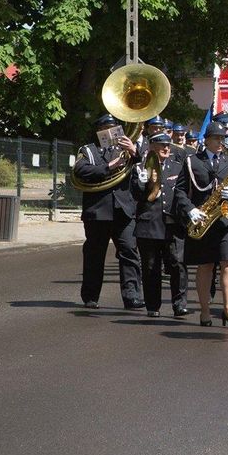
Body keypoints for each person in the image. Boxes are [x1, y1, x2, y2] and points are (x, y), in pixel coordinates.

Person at [175, 123, 228, 327]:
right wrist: (190, 210)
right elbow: (179, 191)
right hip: (203, 219)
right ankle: (205, 310)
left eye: (223, 138)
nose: (221, 142)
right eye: (216, 138)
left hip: (225, 220)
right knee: (205, 266)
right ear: (207, 140)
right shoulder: (192, 161)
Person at [73, 113, 143, 310]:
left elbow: (144, 169)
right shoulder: (88, 150)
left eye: (114, 128)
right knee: (95, 254)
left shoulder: (127, 149)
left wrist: (134, 152)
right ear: (99, 131)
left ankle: (131, 296)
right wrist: (109, 166)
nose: (111, 132)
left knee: (129, 251)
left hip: (124, 210)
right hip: (98, 211)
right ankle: (91, 296)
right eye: (106, 128)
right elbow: (80, 170)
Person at [130, 131, 189, 317]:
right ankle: (153, 306)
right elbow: (137, 196)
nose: (166, 148)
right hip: (149, 224)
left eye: (168, 145)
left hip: (173, 223)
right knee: (150, 267)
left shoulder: (178, 167)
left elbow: (184, 193)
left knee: (178, 264)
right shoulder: (140, 167)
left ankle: (179, 304)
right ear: (151, 147)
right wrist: (141, 182)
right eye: (161, 145)